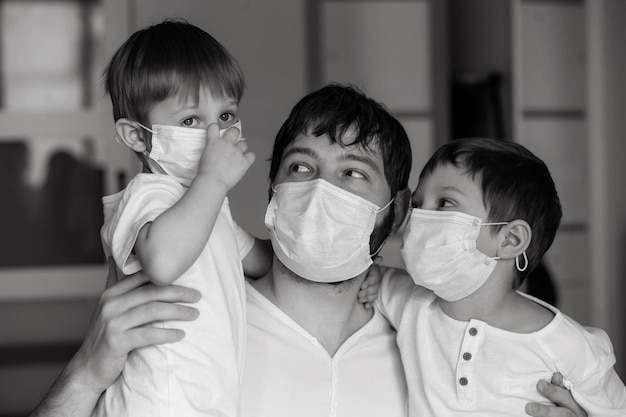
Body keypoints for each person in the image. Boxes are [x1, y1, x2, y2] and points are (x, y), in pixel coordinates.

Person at [31, 86, 588, 417]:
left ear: (395, 214)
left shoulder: (431, 340)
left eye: (353, 173)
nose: (322, 188)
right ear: (273, 192)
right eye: (302, 168)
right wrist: (84, 373)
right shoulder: (191, 319)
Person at [94, 19, 271, 417]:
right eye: (190, 120)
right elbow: (163, 262)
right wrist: (212, 180)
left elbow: (261, 263)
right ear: (138, 136)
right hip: (156, 401)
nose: (214, 133)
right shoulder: (146, 196)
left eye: (226, 116)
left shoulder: (209, 207)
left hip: (205, 400)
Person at [376, 137, 626, 415]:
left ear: (510, 240)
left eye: (445, 202)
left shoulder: (571, 347)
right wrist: (374, 279)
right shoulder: (404, 301)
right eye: (418, 204)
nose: (420, 218)